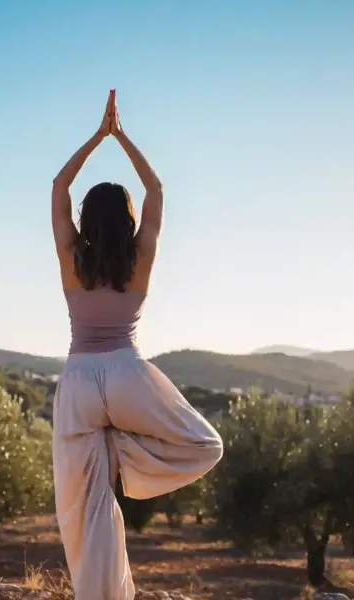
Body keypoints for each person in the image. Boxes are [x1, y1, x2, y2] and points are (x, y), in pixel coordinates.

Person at [50, 89, 224, 600]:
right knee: (206, 445)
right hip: (128, 372)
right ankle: (121, 454)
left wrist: (96, 137)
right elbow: (157, 188)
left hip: (80, 379)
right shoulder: (138, 260)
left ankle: (100, 590)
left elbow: (59, 184)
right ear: (126, 220)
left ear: (86, 217)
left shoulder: (71, 258)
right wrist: (122, 137)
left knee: (85, 506)